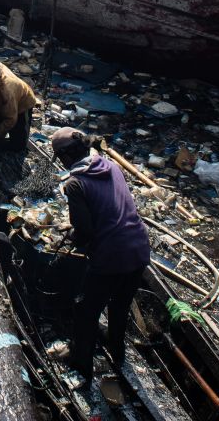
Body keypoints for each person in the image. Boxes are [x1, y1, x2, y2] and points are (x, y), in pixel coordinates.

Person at [51, 127, 151, 383]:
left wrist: (67, 240)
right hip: (138, 248)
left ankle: (80, 364)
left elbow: (84, 232)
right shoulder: (110, 165)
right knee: (120, 305)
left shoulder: (75, 184)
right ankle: (117, 351)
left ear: (64, 158)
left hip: (111, 255)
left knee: (86, 311)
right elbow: (110, 205)